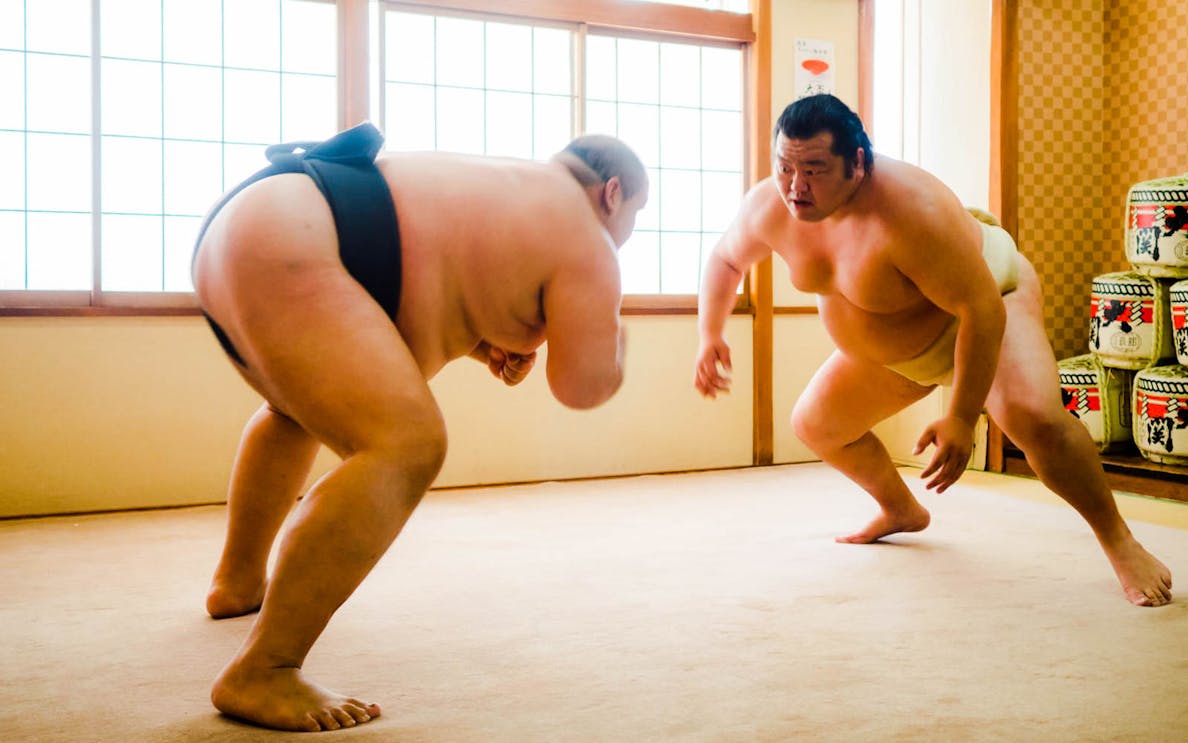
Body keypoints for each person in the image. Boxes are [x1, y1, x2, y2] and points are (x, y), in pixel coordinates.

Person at [192, 122, 648, 732]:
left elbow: (425, 269)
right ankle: (265, 669)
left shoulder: (509, 183)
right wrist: (617, 342)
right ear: (613, 193)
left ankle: (238, 580)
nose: (625, 235)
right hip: (298, 238)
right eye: (634, 216)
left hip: (258, 217)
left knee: (292, 412)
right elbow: (582, 387)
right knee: (407, 445)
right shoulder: (588, 236)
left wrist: (483, 345)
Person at [694, 94, 1172, 608]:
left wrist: (963, 419)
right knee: (817, 424)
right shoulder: (770, 207)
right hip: (900, 351)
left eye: (814, 169)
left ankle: (1120, 541)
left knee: (1032, 418)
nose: (795, 186)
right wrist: (710, 333)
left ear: (857, 163)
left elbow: (981, 310)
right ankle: (901, 509)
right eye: (784, 166)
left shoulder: (910, 210)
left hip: (993, 301)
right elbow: (725, 259)